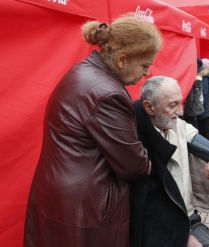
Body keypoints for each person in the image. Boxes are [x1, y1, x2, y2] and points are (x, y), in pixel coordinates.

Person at [24, 14, 161, 247]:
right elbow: (134, 165)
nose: (147, 74)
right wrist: (147, 160)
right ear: (122, 59)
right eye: (145, 65)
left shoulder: (82, 72)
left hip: (64, 195)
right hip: (87, 205)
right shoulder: (108, 94)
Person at [130, 76, 209, 247]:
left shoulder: (177, 126)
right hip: (158, 228)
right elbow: (147, 206)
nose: (181, 111)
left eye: (180, 102)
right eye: (172, 105)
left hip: (187, 219)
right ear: (149, 107)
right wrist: (182, 237)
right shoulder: (133, 143)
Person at [184, 58, 205, 128]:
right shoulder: (200, 75)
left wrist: (188, 111)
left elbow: (191, 97)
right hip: (198, 109)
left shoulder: (196, 77)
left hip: (192, 111)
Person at [197, 58, 209, 140]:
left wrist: (199, 109)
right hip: (205, 110)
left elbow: (204, 93)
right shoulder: (202, 75)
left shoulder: (202, 76)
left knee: (206, 136)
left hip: (205, 111)